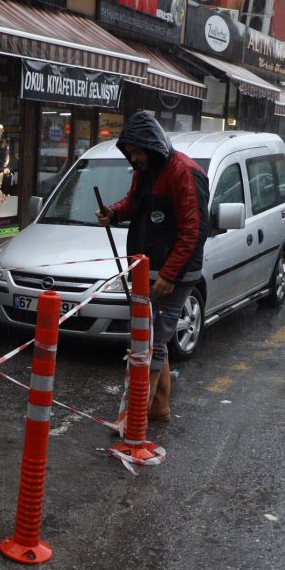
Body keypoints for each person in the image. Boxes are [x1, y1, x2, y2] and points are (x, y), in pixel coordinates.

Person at [95, 112, 209, 421]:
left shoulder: (183, 172)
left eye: (136, 152)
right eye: (129, 153)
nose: (133, 159)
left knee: (151, 340)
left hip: (174, 272)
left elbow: (193, 230)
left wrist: (171, 274)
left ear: (152, 146)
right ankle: (158, 408)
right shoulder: (145, 172)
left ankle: (135, 416)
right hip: (149, 268)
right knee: (153, 337)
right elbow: (134, 203)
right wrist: (113, 213)